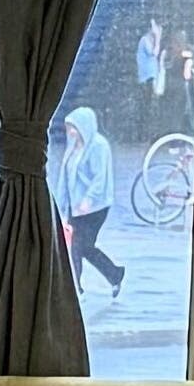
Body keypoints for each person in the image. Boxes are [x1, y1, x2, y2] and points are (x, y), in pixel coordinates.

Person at [57, 106, 125, 297]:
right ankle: (113, 274)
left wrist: (89, 199)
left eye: (73, 128)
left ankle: (74, 288)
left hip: (94, 208)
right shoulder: (73, 146)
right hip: (75, 206)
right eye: (68, 127)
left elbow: (100, 178)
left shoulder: (98, 146)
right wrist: (62, 206)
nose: (70, 132)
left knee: (79, 246)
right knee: (80, 247)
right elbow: (66, 177)